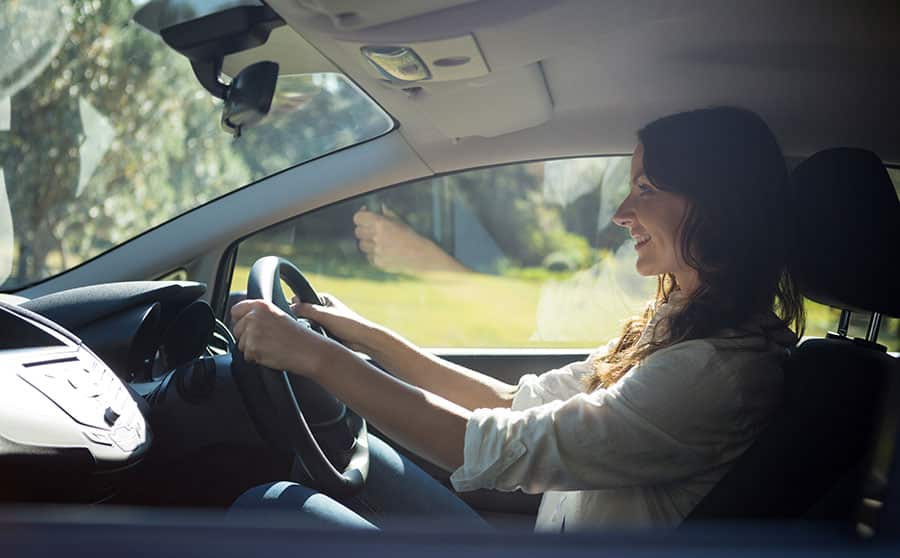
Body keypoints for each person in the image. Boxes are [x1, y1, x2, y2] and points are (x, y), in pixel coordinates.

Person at [228, 106, 804, 532]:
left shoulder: (714, 370)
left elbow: (504, 447)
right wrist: (365, 335)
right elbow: (513, 403)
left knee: (270, 511)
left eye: (646, 189)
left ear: (714, 207)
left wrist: (316, 357)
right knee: (361, 455)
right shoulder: (677, 323)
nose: (622, 213)